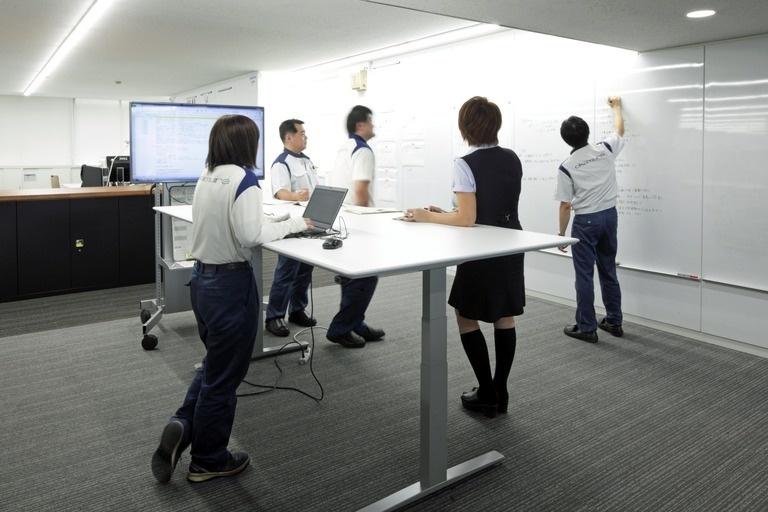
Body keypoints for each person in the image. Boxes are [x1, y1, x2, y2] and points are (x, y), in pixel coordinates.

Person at [151, 115, 310, 484]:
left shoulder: (208, 176)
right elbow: (252, 234)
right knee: (225, 377)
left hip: (203, 282)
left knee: (215, 364)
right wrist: (295, 224)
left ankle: (182, 423)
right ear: (245, 144)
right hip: (230, 288)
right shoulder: (244, 179)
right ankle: (208, 459)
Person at [404, 96, 523, 418]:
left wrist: (427, 216)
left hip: (481, 248)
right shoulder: (512, 158)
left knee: (465, 316)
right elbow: (485, 209)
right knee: (505, 315)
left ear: (465, 127)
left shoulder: (464, 162)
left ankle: (486, 391)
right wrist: (450, 213)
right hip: (511, 243)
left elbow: (468, 219)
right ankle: (501, 390)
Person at [556, 96, 626, 343]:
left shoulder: (567, 166)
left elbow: (565, 205)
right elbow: (620, 130)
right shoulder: (604, 148)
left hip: (585, 222)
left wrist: (561, 235)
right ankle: (614, 321)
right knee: (608, 269)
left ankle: (587, 327)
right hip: (610, 217)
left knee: (584, 275)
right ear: (587, 132)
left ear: (566, 140)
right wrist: (616, 107)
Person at [325, 105, 384, 348]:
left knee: (351, 277)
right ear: (361, 125)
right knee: (366, 276)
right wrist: (369, 219)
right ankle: (340, 327)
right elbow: (360, 191)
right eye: (371, 122)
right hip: (356, 221)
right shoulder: (363, 150)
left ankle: (355, 323)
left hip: (340, 218)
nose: (374, 127)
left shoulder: (344, 148)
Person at [264, 119, 319, 337]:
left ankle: (297, 310)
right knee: (287, 270)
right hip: (291, 223)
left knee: (305, 268)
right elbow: (280, 193)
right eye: (302, 133)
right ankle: (274, 316)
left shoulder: (306, 160)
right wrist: (296, 196)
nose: (305, 137)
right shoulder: (281, 162)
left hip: (309, 222)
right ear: (289, 137)